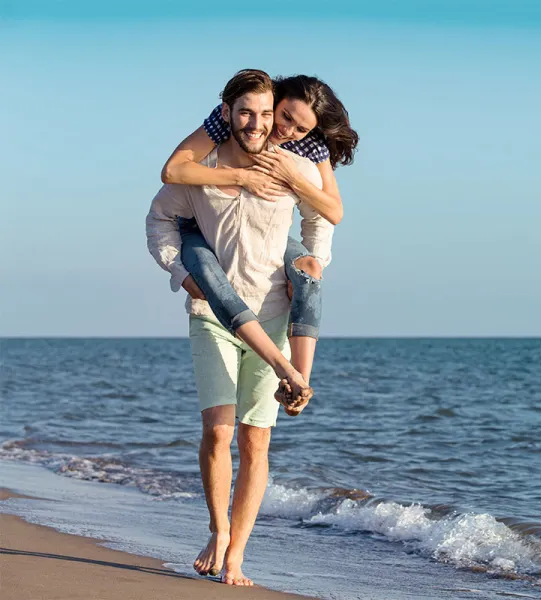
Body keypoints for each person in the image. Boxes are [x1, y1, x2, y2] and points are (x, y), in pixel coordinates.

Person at [146, 69, 329, 585]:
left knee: (256, 441)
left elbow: (322, 215)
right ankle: (217, 529)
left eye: (266, 114)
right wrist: (182, 274)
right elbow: (159, 218)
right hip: (212, 315)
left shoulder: (292, 166)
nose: (256, 122)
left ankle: (237, 555)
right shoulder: (202, 168)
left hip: (272, 313)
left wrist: (313, 262)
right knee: (218, 430)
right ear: (226, 112)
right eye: (245, 112)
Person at [161, 72, 358, 412]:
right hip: (200, 224)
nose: (287, 131)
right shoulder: (231, 121)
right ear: (274, 101)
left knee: (310, 268)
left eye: (300, 128)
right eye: (284, 117)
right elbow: (173, 171)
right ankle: (285, 371)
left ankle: (298, 384)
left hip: (265, 233)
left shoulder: (310, 146)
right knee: (211, 275)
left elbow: (332, 212)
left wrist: (294, 178)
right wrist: (242, 177)